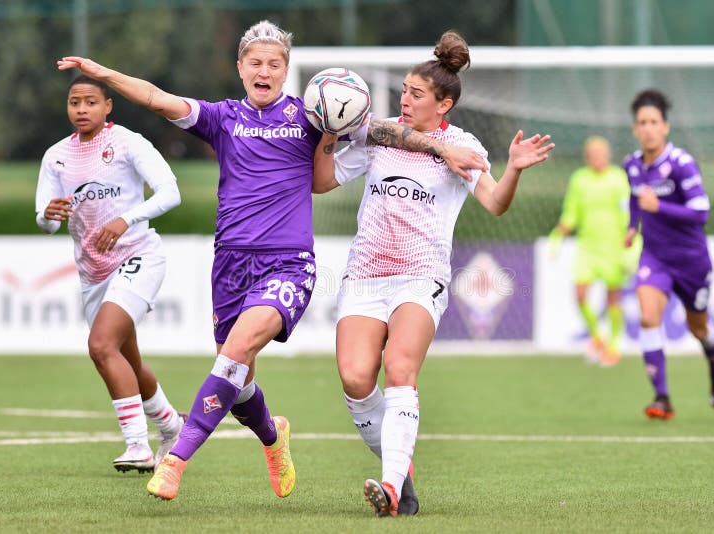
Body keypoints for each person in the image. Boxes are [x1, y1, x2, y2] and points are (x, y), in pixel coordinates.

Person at [57, 20, 486, 501]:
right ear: (240, 68)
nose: (265, 70)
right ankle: (271, 435)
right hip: (230, 264)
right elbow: (157, 97)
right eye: (256, 63)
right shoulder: (221, 117)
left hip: (288, 264)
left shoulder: (312, 115)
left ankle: (176, 459)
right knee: (238, 383)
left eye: (274, 63)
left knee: (234, 353)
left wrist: (441, 146)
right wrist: (104, 73)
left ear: (286, 72)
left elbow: (388, 132)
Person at [313, 30, 554, 517]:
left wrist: (514, 170)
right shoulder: (380, 136)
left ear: (443, 104)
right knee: (356, 380)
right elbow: (321, 182)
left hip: (421, 276)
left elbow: (494, 203)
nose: (404, 100)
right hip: (364, 274)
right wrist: (329, 131)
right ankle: (403, 475)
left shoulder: (462, 146)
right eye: (403, 90)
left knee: (400, 369)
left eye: (416, 94)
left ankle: (392, 487)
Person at [35, 75, 185, 473]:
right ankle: (172, 425)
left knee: (101, 345)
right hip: (93, 273)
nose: (81, 109)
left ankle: (138, 446)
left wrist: (125, 219)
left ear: (108, 107)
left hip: (139, 255)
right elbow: (46, 220)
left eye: (90, 102)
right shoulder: (55, 157)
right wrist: (47, 216)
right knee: (126, 362)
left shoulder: (128, 143)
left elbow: (170, 192)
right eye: (74, 102)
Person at [624, 89, 714, 420]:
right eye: (642, 122)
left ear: (666, 127)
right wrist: (631, 225)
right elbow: (635, 197)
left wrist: (661, 207)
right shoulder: (632, 165)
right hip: (654, 257)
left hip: (691, 260)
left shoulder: (681, 164)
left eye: (654, 121)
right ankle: (662, 398)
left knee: (699, 328)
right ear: (635, 129)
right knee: (647, 317)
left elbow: (702, 211)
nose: (648, 128)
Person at [548, 136, 635, 366]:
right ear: (587, 157)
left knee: (613, 298)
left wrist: (630, 244)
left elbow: (629, 214)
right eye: (593, 154)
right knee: (580, 294)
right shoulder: (580, 180)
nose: (597, 157)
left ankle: (614, 345)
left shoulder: (618, 179)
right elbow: (571, 212)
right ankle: (597, 337)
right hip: (587, 247)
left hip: (613, 247)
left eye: (601, 153)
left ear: (608, 155)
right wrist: (558, 235)